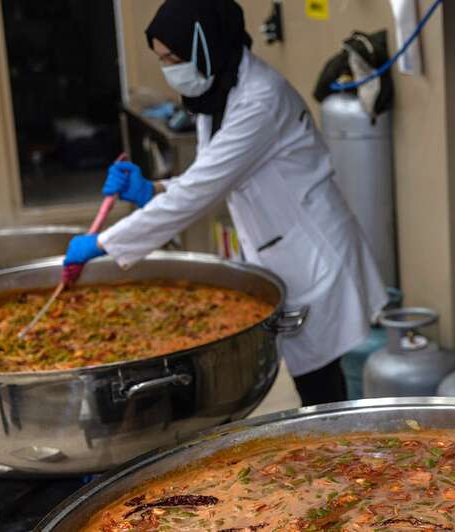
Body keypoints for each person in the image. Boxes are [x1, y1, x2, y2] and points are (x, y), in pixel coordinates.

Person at [63, 0, 386, 406]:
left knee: (324, 387)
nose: (169, 69)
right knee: (317, 384)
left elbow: (201, 190)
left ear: (205, 45)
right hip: (282, 247)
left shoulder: (259, 100)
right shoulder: (217, 90)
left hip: (312, 251)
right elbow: (207, 175)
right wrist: (153, 190)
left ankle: (344, 459)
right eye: (162, 59)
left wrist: (104, 244)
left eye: (174, 57)